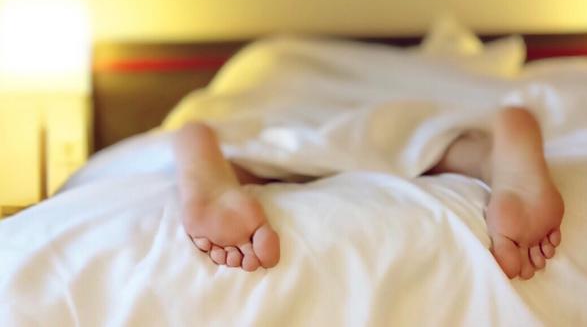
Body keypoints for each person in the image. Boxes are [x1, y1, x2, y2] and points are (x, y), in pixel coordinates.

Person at [173, 106, 564, 280]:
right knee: (440, 145)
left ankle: (209, 160)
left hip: (282, 122)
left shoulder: (275, 69)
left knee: (264, 151)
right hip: (410, 116)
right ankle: (493, 154)